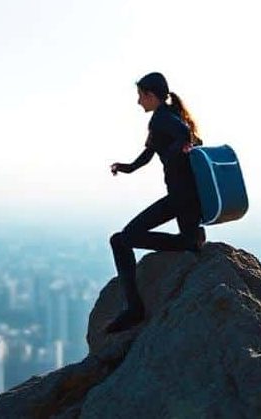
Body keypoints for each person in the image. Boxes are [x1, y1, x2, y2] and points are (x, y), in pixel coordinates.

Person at [105, 71, 206, 334]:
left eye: (140, 96)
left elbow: (185, 135)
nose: (138, 102)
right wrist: (126, 167)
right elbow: (149, 154)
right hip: (188, 197)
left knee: (121, 240)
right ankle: (191, 240)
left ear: (151, 95)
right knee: (179, 241)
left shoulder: (162, 118)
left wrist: (176, 152)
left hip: (181, 197)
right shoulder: (168, 117)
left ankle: (134, 309)